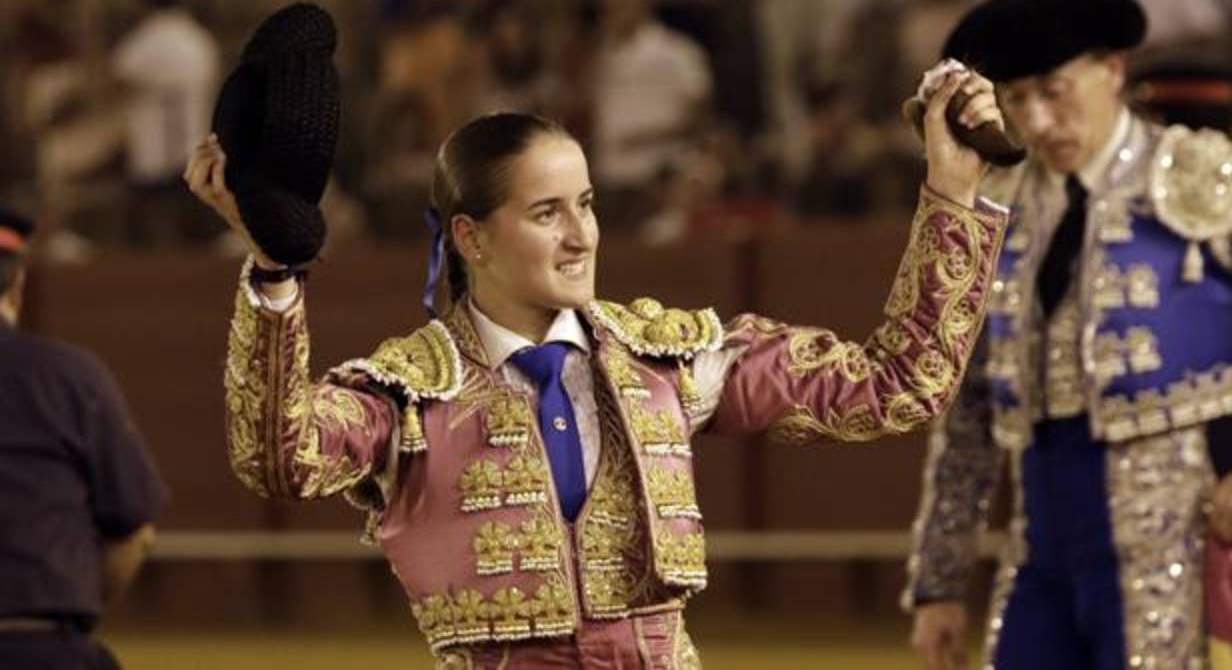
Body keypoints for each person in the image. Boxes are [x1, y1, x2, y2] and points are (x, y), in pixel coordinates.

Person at [187, 68, 1007, 665]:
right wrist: (274, 276)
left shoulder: (671, 360)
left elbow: (901, 386)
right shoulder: (409, 392)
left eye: (586, 204)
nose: (582, 235)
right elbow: (280, 457)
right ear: (470, 238)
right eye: (547, 213)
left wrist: (954, 188)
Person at [904, 0, 1232, 670]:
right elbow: (965, 410)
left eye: (1056, 91)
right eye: (1018, 99)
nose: (1041, 122)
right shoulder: (995, 211)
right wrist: (939, 583)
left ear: (1112, 69)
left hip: (1174, 520)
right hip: (1041, 530)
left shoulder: (1204, 177)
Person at [0, 205, 169, 669]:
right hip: (47, 646)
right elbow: (134, 534)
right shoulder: (72, 378)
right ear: (17, 286)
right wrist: (74, 607)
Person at [111, 0, 219, 246]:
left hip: (154, 146)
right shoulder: (199, 40)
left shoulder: (145, 40)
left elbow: (116, 79)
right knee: (195, 228)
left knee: (156, 225)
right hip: (194, 143)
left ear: (146, 1)